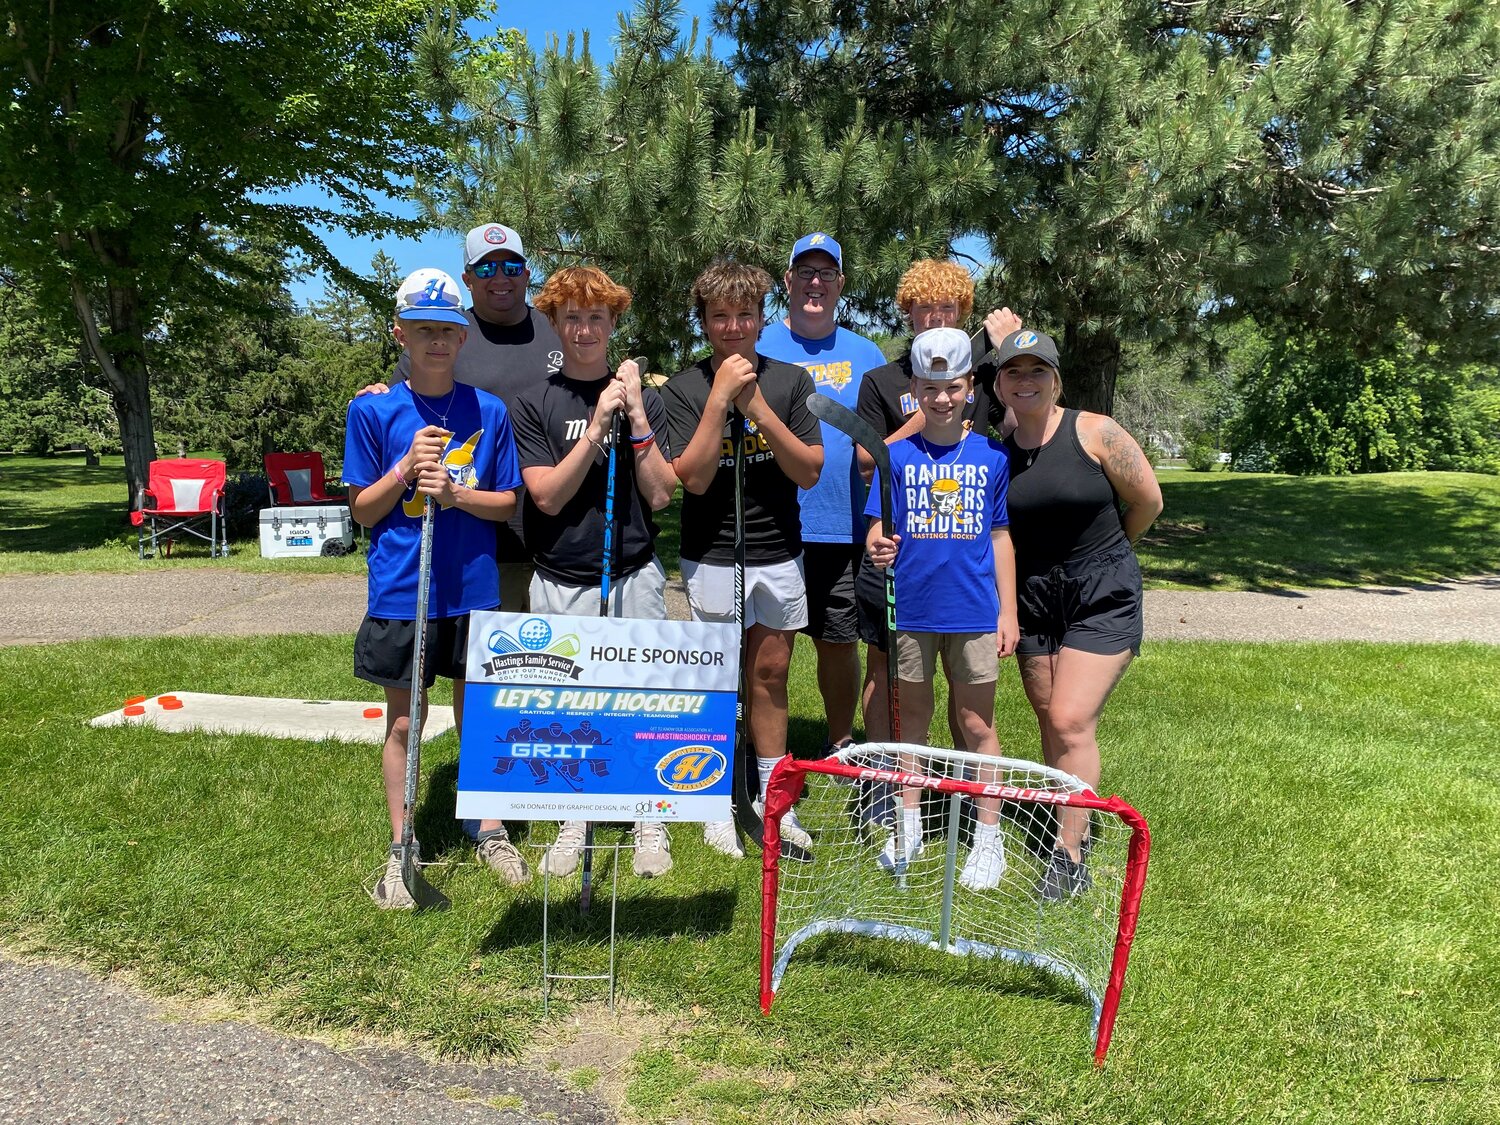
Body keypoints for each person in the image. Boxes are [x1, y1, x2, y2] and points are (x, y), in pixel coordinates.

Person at [343, 269, 526, 904]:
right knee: (404, 722)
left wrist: (454, 492)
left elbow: (505, 505)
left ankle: (489, 826)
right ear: (401, 334)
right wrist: (404, 469)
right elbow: (364, 511)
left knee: (479, 713)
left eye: (447, 331)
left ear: (461, 336)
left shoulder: (489, 411)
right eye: (423, 331)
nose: (437, 343)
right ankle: (401, 844)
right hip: (402, 589)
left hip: (471, 588)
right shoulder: (372, 410)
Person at [510, 265, 679, 878]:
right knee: (566, 703)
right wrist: (595, 430)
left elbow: (661, 495)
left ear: (613, 324)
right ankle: (572, 816)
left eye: (597, 318)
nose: (585, 330)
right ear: (556, 323)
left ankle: (647, 816)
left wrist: (634, 417)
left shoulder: (646, 398)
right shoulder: (534, 402)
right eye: (573, 318)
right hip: (561, 577)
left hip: (632, 572)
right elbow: (547, 497)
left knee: (641, 701)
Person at [660, 260, 824, 859]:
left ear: (760, 318)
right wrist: (719, 402)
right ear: (704, 322)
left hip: (778, 548)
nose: (733, 327)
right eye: (720, 316)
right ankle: (714, 800)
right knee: (715, 678)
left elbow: (808, 468)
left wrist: (757, 410)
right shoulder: (681, 387)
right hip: (713, 554)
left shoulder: (789, 381)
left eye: (744, 314)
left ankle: (771, 798)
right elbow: (695, 480)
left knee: (770, 674)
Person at [992, 328, 1163, 901]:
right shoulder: (998, 448)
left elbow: (1147, 501)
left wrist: (1110, 554)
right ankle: (1070, 816)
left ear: (1055, 378)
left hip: (1101, 591)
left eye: (1036, 370)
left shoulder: (1094, 431)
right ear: (999, 383)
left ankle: (1070, 855)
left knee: (1069, 719)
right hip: (1035, 596)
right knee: (1049, 718)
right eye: (1013, 372)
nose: (1025, 381)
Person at [864, 327, 1018, 890]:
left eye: (952, 386)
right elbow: (879, 526)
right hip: (913, 611)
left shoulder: (992, 456)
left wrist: (1008, 612)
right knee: (915, 725)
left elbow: (1000, 536)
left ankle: (987, 838)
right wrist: (876, 543)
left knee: (977, 722)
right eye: (930, 387)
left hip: (974, 610)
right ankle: (907, 828)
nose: (942, 398)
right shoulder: (895, 457)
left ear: (970, 387)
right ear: (914, 390)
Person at [854, 259, 1023, 746]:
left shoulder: (984, 374)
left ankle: (962, 794)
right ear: (909, 313)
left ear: (963, 312)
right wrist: (926, 421)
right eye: (924, 308)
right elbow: (869, 459)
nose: (936, 317)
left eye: (947, 307)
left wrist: (1011, 347)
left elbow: (1020, 420)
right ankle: (888, 784)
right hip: (905, 552)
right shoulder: (884, 380)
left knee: (971, 710)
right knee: (889, 675)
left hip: (969, 550)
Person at [365, 222, 564, 615]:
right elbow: (399, 410)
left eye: (511, 266)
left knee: (558, 669)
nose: (500, 278)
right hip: (480, 542)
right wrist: (373, 393)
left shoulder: (559, 329)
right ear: (467, 278)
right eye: (486, 268)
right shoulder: (447, 333)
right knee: (488, 672)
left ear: (526, 273)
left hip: (560, 539)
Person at [757, 233, 887, 752]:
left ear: (840, 285)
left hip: (844, 521)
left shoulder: (865, 351)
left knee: (838, 641)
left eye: (826, 274)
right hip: (774, 522)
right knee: (769, 649)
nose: (815, 282)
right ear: (787, 281)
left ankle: (841, 743)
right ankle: (764, 746)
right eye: (805, 272)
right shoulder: (759, 343)